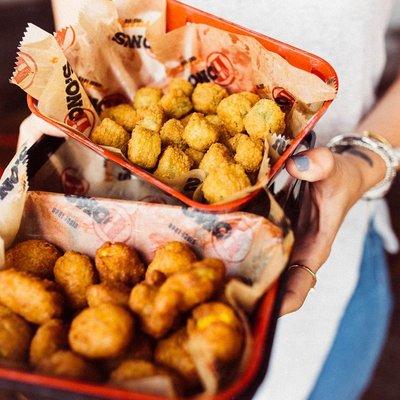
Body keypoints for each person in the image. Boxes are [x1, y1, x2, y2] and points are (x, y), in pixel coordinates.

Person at [45, 1, 400, 399]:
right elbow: (89, 30)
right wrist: (64, 103)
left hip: (335, 250)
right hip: (101, 220)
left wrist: (366, 160)